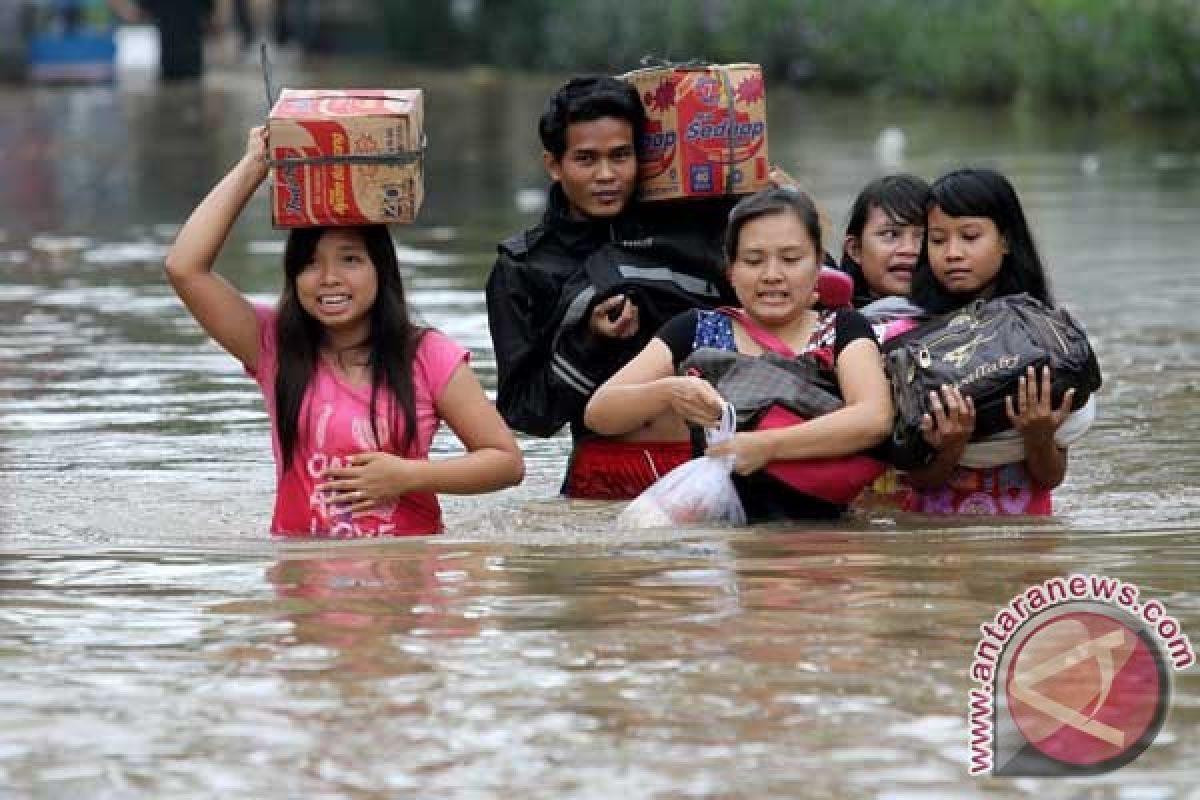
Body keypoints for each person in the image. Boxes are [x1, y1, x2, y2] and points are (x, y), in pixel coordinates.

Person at [165, 127, 524, 537]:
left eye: (350, 260)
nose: (329, 279)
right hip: (302, 580)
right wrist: (253, 167)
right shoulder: (273, 345)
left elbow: (506, 462)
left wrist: (409, 476)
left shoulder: (428, 354)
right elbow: (184, 267)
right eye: (310, 264)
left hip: (405, 581)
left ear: (381, 270)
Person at [486, 74, 738, 500]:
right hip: (602, 471)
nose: (607, 175)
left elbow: (791, 301)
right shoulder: (524, 268)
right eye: (586, 159)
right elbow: (527, 414)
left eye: (621, 156)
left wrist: (772, 203)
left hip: (713, 461)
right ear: (554, 164)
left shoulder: (698, 235)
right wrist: (588, 340)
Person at [583, 187, 894, 521]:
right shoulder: (695, 330)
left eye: (790, 259)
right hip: (727, 539)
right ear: (730, 269)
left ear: (818, 264)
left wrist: (767, 446)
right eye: (753, 260)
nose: (772, 275)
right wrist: (668, 392)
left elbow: (874, 418)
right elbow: (599, 412)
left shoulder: (843, 328)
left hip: (831, 540)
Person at [904, 167, 1075, 515]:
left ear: (1006, 240)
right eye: (937, 240)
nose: (952, 253)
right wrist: (950, 448)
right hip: (932, 544)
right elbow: (911, 479)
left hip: (1026, 542)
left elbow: (1051, 477)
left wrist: (1039, 436)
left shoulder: (1042, 337)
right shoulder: (908, 342)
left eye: (969, 236)